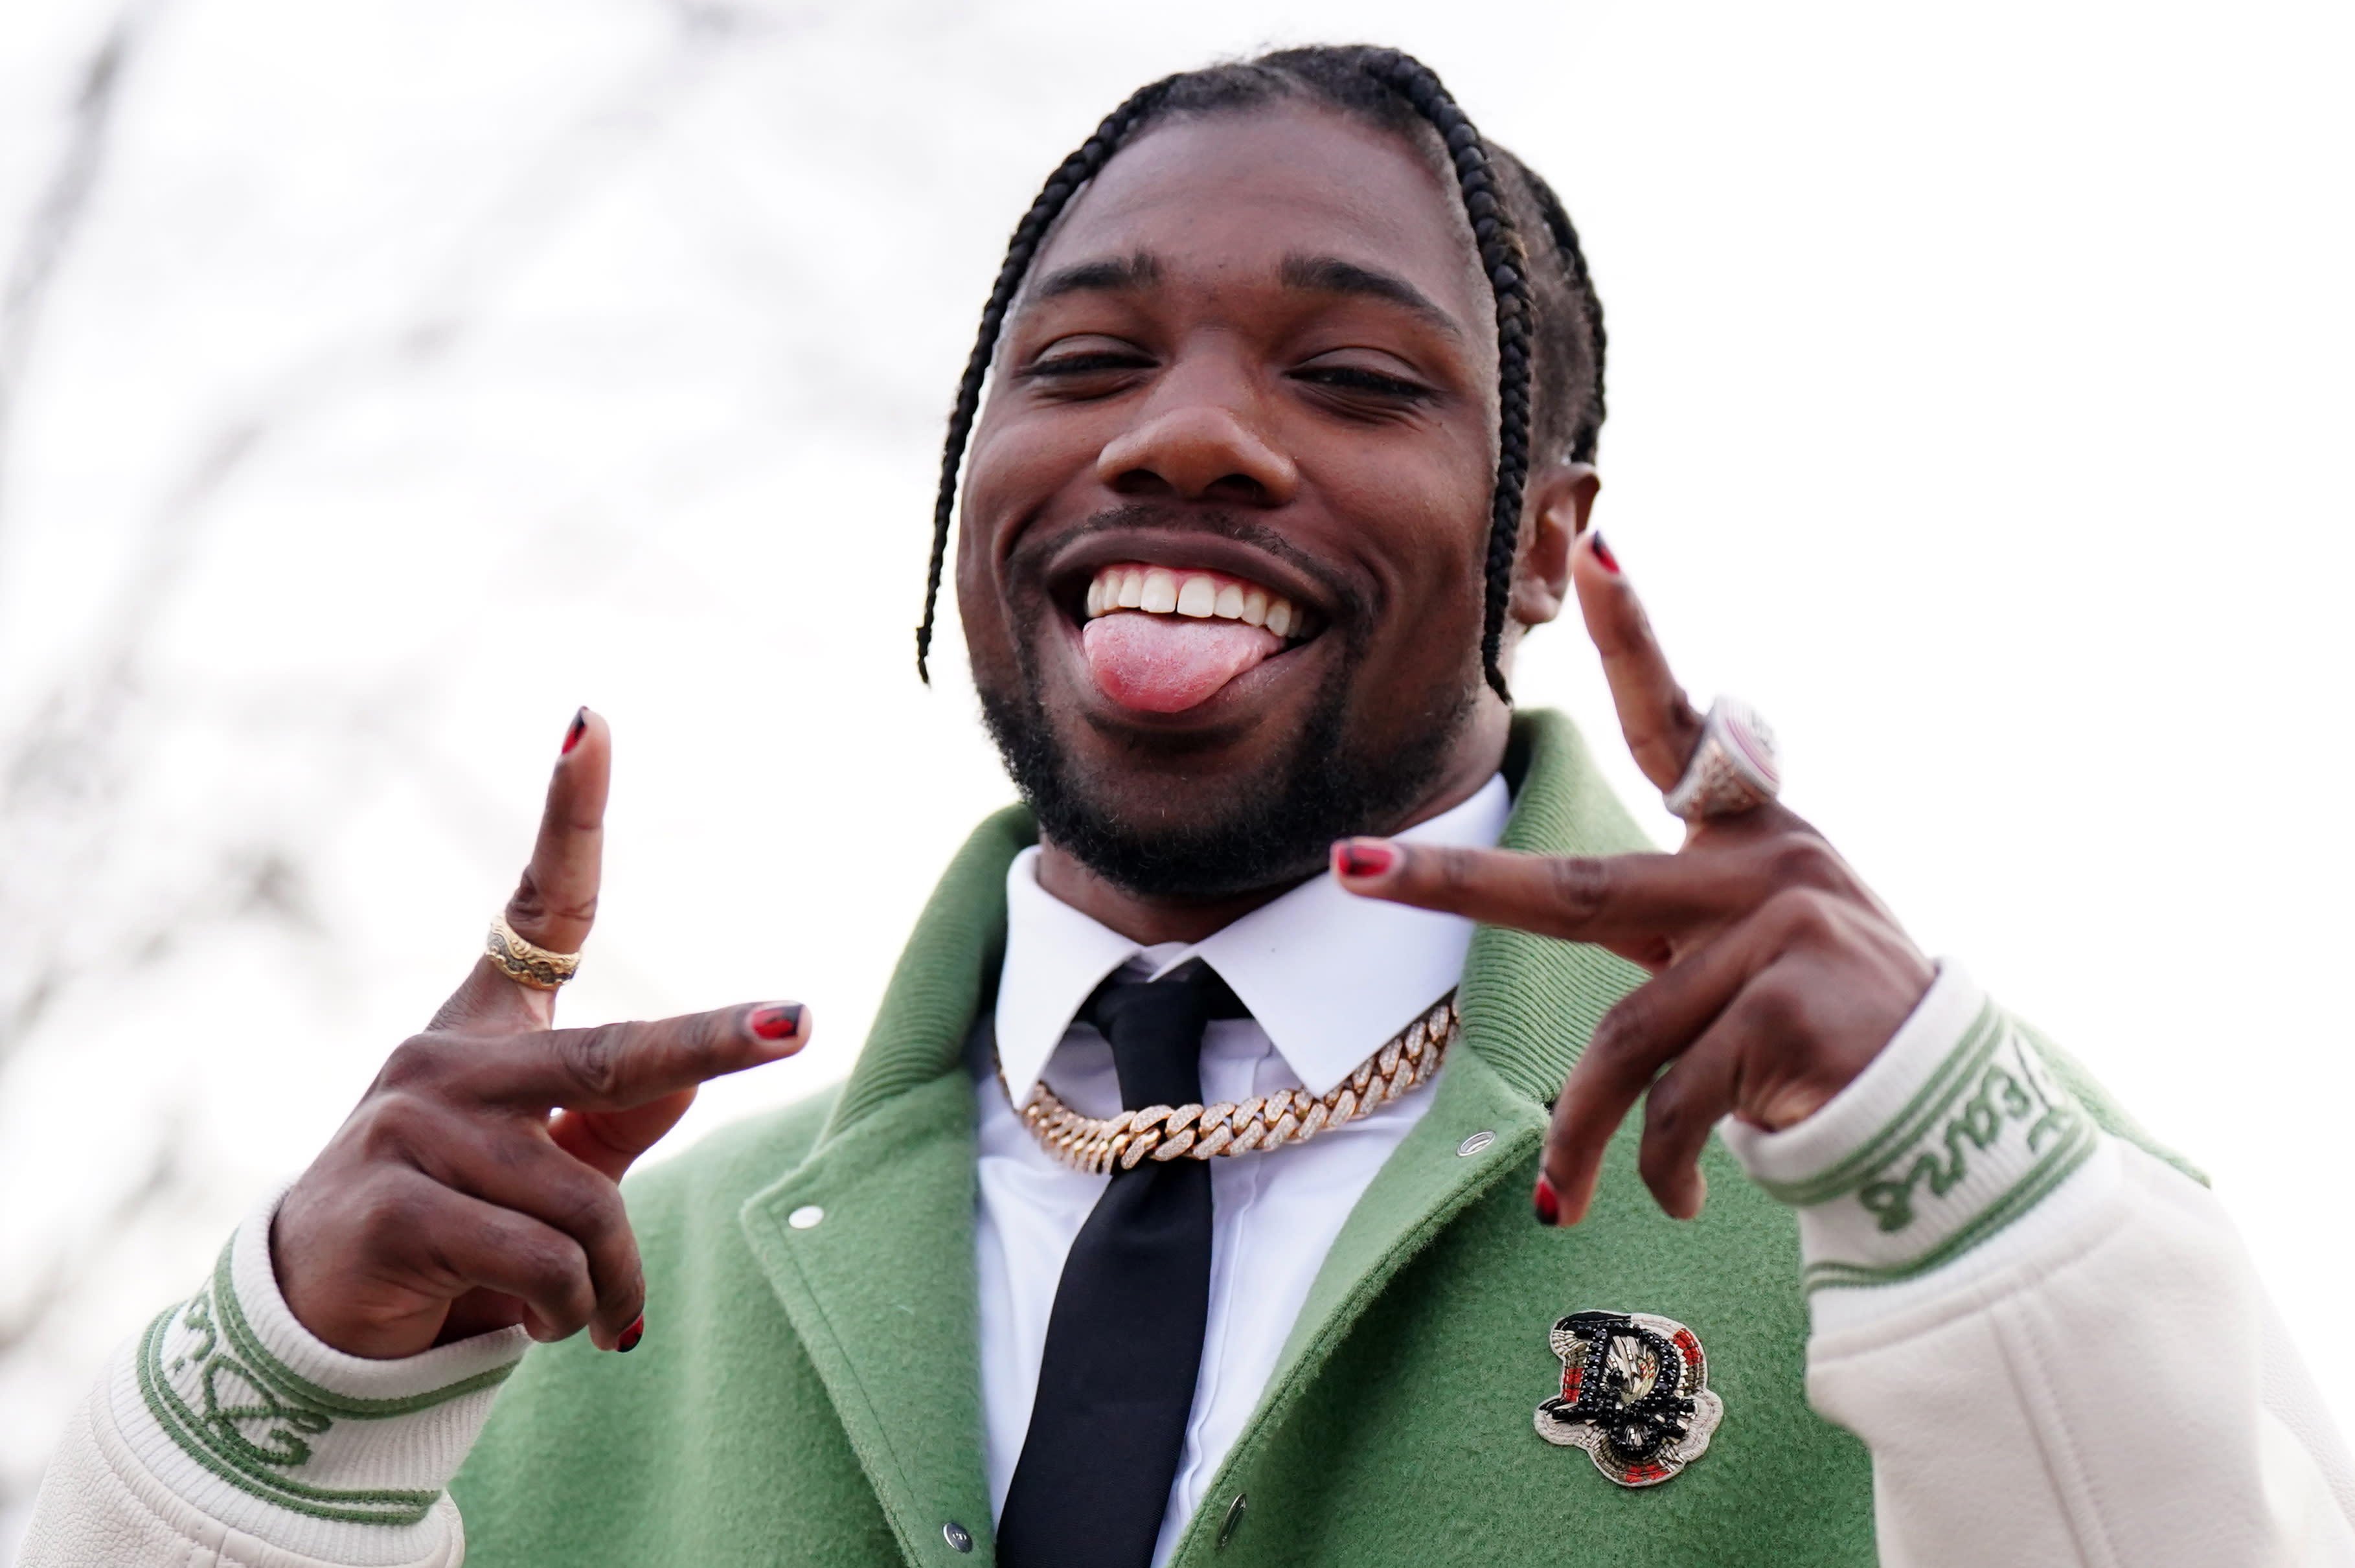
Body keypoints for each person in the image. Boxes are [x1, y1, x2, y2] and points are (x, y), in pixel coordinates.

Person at [21, 43, 2355, 1568]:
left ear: (1544, 541)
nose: (1184, 439)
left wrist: (1981, 1228)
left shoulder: (1903, 1213)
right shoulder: (587, 1308)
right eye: (1083, 362)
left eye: (1348, 376)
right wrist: (283, 1405)